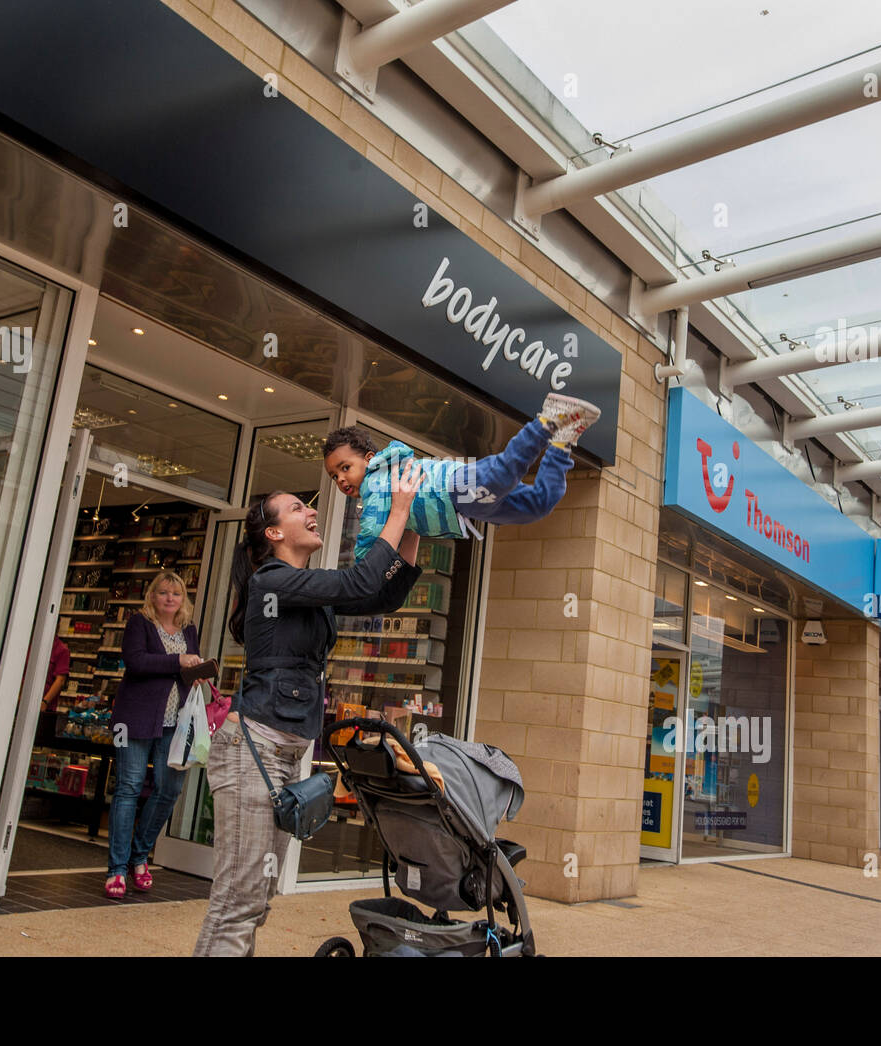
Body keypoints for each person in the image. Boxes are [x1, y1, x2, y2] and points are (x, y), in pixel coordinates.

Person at [193, 464, 424, 957]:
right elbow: (360, 580)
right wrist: (397, 510)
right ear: (274, 533)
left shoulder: (304, 589)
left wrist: (413, 530)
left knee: (258, 899)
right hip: (252, 750)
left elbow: (378, 595)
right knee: (239, 900)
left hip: (283, 755)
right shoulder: (272, 582)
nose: (313, 510)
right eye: (298, 508)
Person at [325, 392, 601, 561]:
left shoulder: (375, 485)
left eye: (344, 468)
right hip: (466, 505)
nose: (340, 479)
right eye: (334, 476)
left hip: (452, 488)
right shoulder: (385, 481)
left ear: (369, 459)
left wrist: (361, 568)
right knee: (539, 505)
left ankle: (547, 421)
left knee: (504, 472)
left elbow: (372, 533)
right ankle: (562, 444)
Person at [106, 569, 202, 900]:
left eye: (175, 594)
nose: (169, 598)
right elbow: (135, 662)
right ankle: (118, 869)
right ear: (152, 596)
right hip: (132, 720)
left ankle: (139, 854)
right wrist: (178, 660)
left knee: (169, 789)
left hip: (175, 722)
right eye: (163, 592)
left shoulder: (189, 629)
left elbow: (184, 671)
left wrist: (197, 672)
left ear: (182, 599)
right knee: (128, 789)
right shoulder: (139, 624)